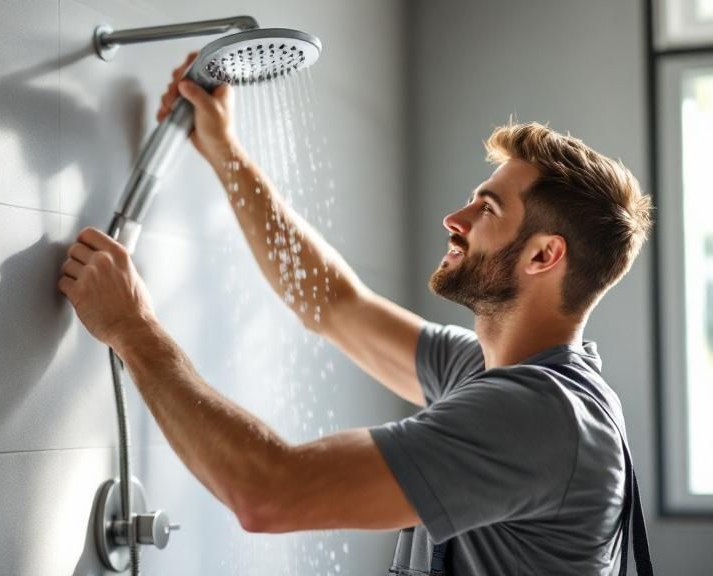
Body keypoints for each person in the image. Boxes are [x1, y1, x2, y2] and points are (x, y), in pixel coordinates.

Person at [58, 53, 654, 575]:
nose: (455, 220)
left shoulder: (538, 417)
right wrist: (224, 151)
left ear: (544, 256)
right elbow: (334, 304)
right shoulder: (490, 372)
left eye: (488, 209)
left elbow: (270, 493)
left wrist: (133, 328)